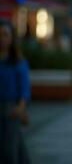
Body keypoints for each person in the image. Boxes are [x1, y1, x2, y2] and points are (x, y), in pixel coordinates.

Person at [0, 19, 31, 164]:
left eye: (5, 35)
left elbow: (24, 89)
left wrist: (20, 107)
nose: (2, 38)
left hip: (10, 110)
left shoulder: (18, 62)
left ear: (11, 38)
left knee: (9, 151)